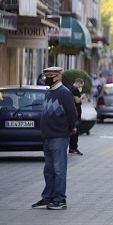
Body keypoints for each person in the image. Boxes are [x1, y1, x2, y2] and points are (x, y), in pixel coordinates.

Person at [32, 67, 78, 210]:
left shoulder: (64, 93)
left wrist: (71, 128)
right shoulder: (48, 92)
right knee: (49, 170)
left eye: (50, 75)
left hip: (59, 136)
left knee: (59, 170)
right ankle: (48, 197)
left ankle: (60, 199)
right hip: (48, 137)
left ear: (58, 77)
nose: (47, 78)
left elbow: (72, 113)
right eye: (46, 75)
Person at [68, 78, 85, 155]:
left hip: (75, 112)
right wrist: (82, 97)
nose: (81, 87)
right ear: (78, 83)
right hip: (76, 113)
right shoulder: (74, 90)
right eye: (81, 85)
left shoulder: (70, 89)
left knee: (75, 130)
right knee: (75, 130)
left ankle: (72, 147)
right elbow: (77, 100)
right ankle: (73, 148)